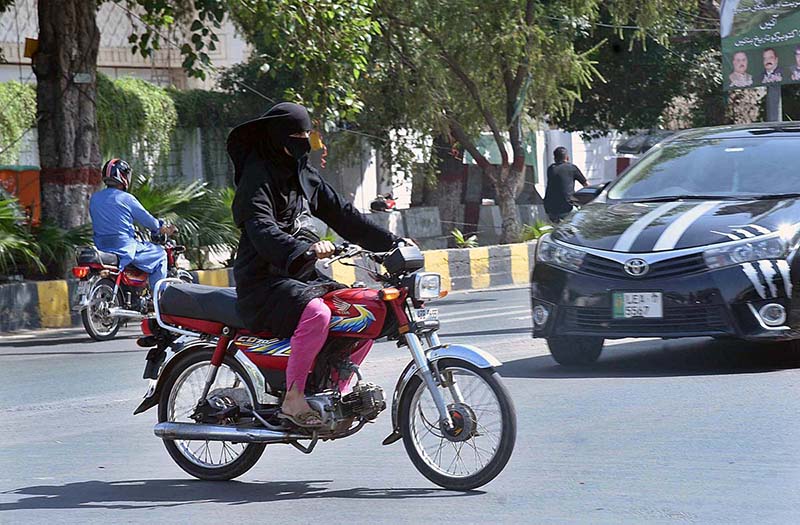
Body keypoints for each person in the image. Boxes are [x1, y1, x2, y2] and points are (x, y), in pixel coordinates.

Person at [228, 102, 399, 428]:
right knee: (318, 313)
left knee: (363, 310)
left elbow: (345, 216)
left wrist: (393, 243)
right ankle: (293, 398)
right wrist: (303, 249)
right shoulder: (256, 178)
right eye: (298, 135)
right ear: (279, 138)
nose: (306, 141)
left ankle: (336, 388)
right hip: (262, 281)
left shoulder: (302, 174)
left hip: (299, 276)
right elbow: (263, 230)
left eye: (308, 134)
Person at [89, 158, 176, 290]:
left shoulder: (95, 198)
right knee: (161, 255)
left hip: (101, 247)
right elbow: (148, 220)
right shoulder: (126, 198)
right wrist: (161, 228)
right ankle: (158, 298)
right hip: (124, 247)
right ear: (124, 176)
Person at [543, 146, 587, 223]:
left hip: (550, 209)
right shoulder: (572, 168)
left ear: (554, 158)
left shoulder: (551, 169)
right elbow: (586, 185)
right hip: (567, 207)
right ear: (567, 157)